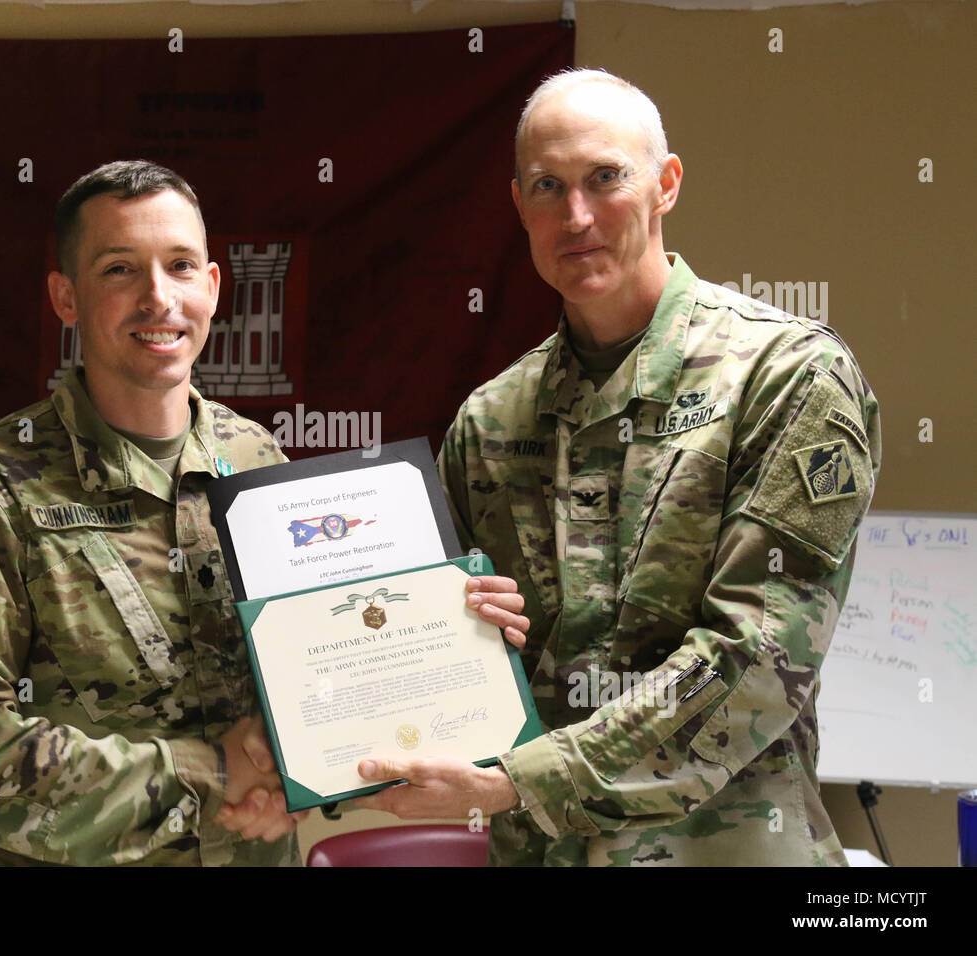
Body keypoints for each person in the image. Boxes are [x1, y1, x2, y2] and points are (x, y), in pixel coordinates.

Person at [0, 160, 529, 866]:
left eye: (180, 265)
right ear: (65, 297)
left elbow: (324, 680)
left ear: (213, 287)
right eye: (119, 270)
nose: (158, 298)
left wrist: (454, 634)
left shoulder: (258, 462)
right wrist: (204, 777)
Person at [354, 70, 882, 866]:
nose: (577, 216)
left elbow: (756, 662)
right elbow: (453, 662)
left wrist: (522, 782)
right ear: (519, 207)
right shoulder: (489, 422)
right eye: (547, 187)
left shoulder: (787, 376)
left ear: (665, 184)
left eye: (606, 177)